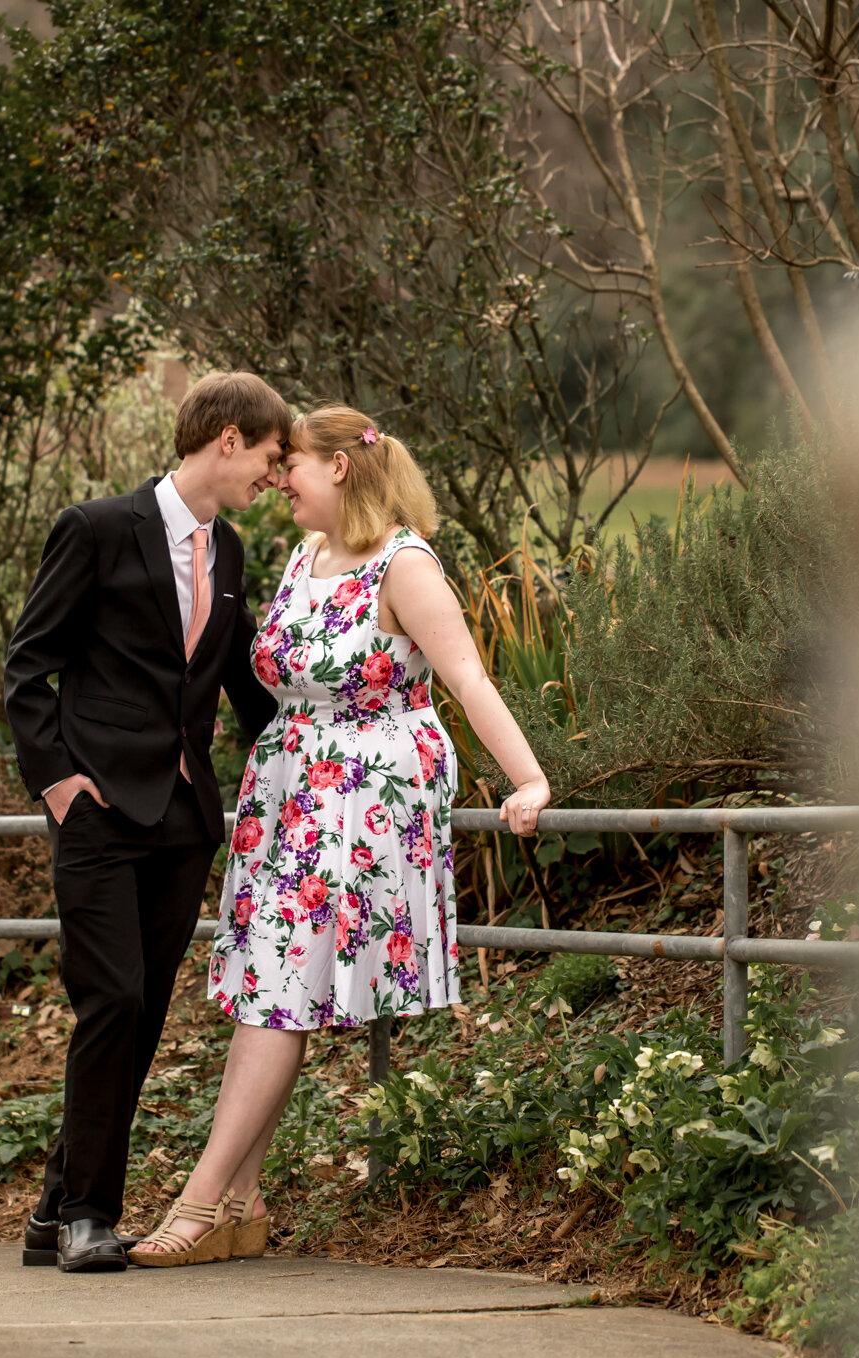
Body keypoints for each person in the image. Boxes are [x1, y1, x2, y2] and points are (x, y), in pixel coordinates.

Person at [127, 404, 550, 1268]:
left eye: (296, 468)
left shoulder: (407, 563)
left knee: (280, 984)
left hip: (367, 795)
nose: (280, 481)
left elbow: (465, 675)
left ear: (344, 469)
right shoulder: (303, 558)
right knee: (265, 984)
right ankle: (240, 1200)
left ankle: (203, 1199)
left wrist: (528, 777)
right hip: (289, 792)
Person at [2, 371, 287, 1272]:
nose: (274, 478)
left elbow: (244, 688)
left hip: (181, 820)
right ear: (228, 440)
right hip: (95, 812)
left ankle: (55, 1207)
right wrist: (57, 784)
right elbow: (26, 668)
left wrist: (326, 747)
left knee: (142, 1010)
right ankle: (90, 1214)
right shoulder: (94, 529)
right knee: (112, 999)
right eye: (271, 459)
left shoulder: (232, 552)